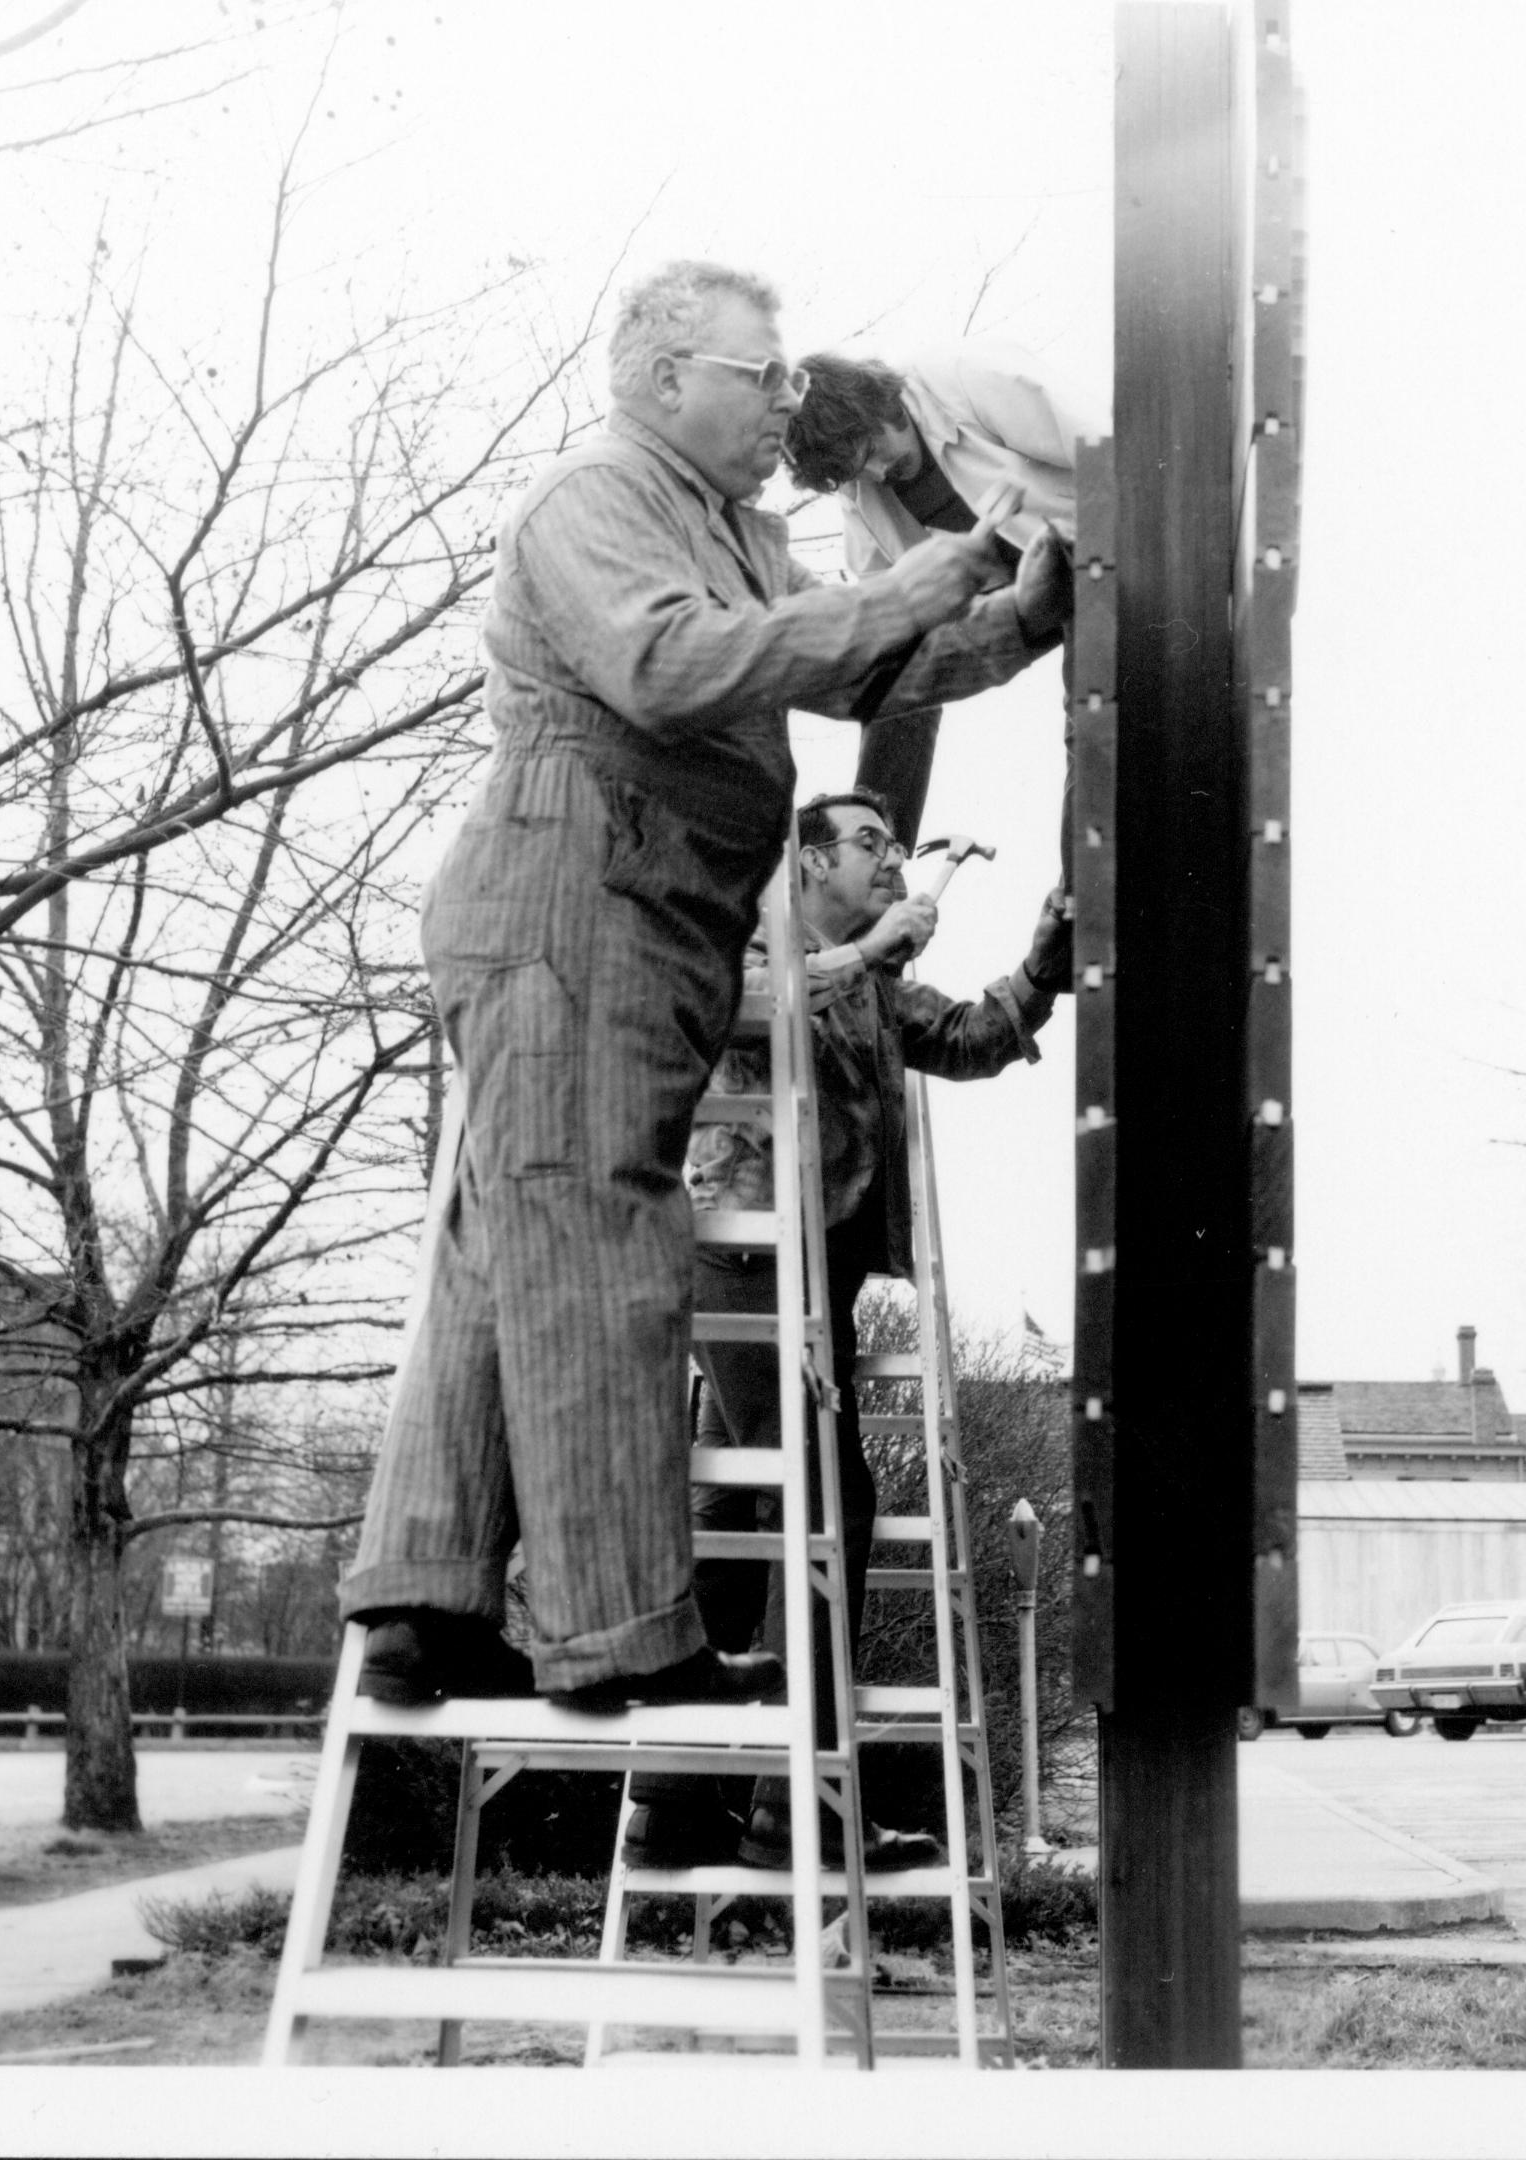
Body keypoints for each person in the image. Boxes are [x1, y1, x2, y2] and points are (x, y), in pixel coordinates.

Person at [339, 261, 1070, 1711]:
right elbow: (669, 669)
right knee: (601, 1245)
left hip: (647, 911)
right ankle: (621, 1640)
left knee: (512, 1243)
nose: (789, 400)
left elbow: (872, 667)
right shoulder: (593, 501)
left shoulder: (731, 530)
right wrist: (917, 577)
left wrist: (1021, 610)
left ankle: (426, 1598)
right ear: (666, 378)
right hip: (575, 894)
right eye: (766, 376)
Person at [621, 789, 1073, 1872]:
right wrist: (870, 947)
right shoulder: (754, 936)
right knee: (833, 1493)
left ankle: (677, 1807)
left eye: (896, 847)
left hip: (816, 1272)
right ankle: (799, 1806)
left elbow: (970, 1036)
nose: (891, 859)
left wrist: (1045, 965)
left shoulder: (870, 989)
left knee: (738, 1504)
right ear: (809, 864)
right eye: (870, 844)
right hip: (737, 1257)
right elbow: (742, 1009)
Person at [781, 345, 1092, 849]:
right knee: (894, 682)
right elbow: (883, 617)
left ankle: (1074, 901)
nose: (878, 475)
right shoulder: (862, 494)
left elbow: (1102, 442)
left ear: (870, 408)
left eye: (871, 454)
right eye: (860, 473)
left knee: (1089, 722)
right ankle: (877, 852)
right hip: (1003, 604)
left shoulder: (966, 383)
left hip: (1086, 552)